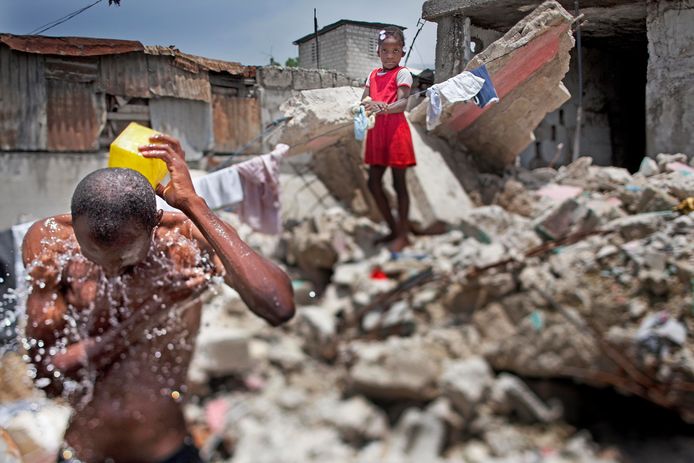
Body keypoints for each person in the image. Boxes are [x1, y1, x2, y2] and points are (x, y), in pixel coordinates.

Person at [21, 134, 295, 463]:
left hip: (166, 449)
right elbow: (46, 376)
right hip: (84, 449)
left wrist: (194, 204)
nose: (108, 271)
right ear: (74, 225)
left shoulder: (184, 241)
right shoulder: (52, 242)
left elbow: (278, 306)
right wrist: (153, 312)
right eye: (93, 256)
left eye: (123, 261)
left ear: (154, 226)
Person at [361, 27, 416, 253]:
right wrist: (369, 104)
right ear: (378, 52)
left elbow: (403, 104)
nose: (390, 55)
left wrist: (383, 107)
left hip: (395, 132)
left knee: (398, 183)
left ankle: (403, 235)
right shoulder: (372, 75)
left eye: (395, 50)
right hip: (377, 132)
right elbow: (364, 100)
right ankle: (393, 228)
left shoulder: (403, 73)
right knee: (373, 183)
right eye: (385, 50)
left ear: (402, 53)